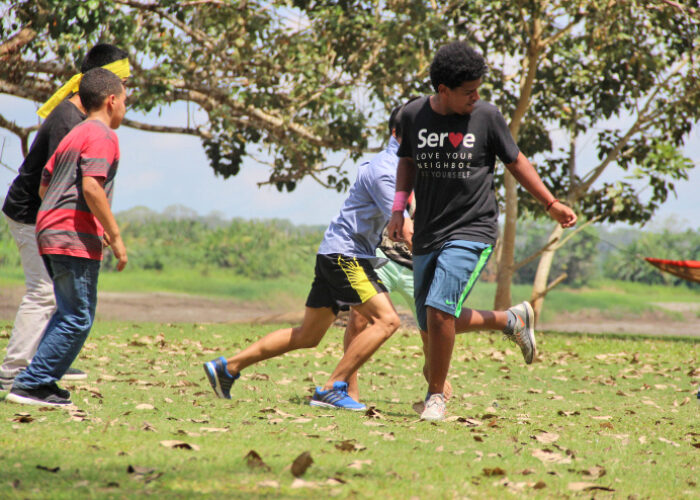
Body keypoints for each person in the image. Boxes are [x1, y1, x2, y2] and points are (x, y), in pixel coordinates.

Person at [386, 41, 577, 421]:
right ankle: (511, 319)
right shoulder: (412, 115)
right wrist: (397, 209)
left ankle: (435, 396)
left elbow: (516, 160)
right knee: (429, 320)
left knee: (439, 311)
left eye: (478, 90)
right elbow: (406, 161)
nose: (476, 97)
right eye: (467, 91)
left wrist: (550, 202)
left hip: (473, 228)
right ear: (443, 90)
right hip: (427, 230)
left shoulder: (487, 117)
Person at [203, 106, 413, 411]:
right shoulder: (386, 169)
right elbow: (406, 227)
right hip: (346, 255)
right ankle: (331, 388)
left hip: (337, 251)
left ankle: (228, 367)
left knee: (308, 335)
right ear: (397, 134)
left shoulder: (403, 167)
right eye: (421, 134)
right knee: (387, 320)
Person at [1, 44, 130, 391]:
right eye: (124, 84)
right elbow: (71, 183)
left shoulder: (81, 121)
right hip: (34, 214)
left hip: (48, 217)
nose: (128, 92)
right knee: (46, 293)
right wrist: (108, 230)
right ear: (107, 91)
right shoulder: (75, 122)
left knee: (62, 299)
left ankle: (46, 361)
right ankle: (16, 370)